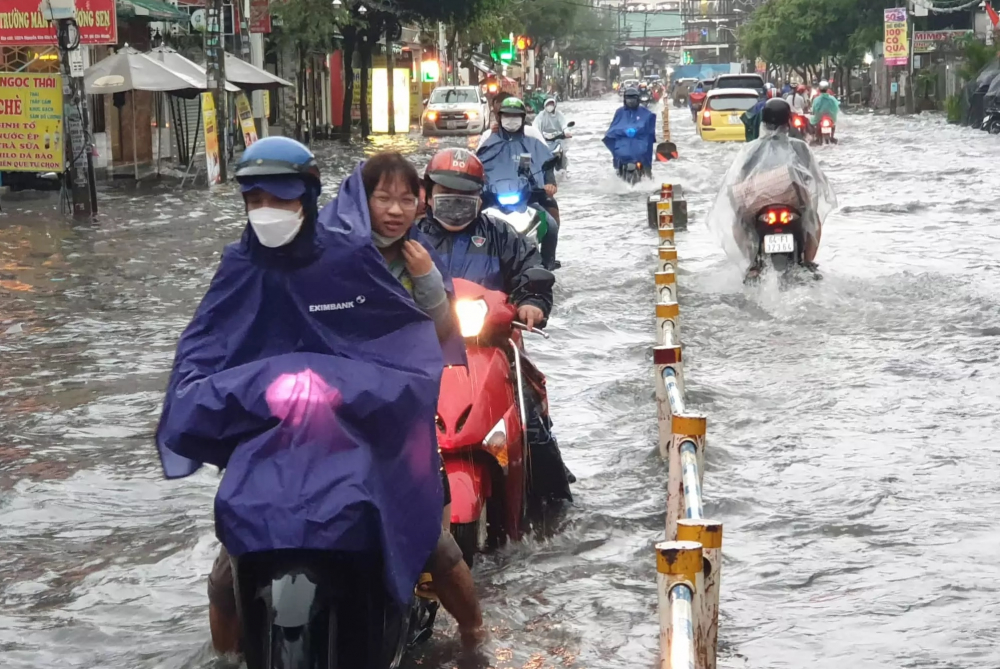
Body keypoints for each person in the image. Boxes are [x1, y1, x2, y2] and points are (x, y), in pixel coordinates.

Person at [155, 137, 487, 657]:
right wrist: (214, 392)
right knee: (226, 573)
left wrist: (357, 387)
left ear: (308, 199)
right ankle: (226, 658)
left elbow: (412, 343)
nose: (270, 212)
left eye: (283, 200)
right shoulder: (239, 268)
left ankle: (474, 636)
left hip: (359, 436)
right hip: (273, 442)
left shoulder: (351, 261)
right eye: (257, 200)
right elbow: (204, 349)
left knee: (430, 543)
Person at [417, 148, 573, 501]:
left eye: (466, 195)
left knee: (530, 418)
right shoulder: (411, 237)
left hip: (490, 346)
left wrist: (532, 303)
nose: (456, 202)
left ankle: (551, 504)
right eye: (447, 194)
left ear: (479, 196)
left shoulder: (501, 235)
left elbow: (529, 271)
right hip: (419, 347)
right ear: (428, 193)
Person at [707, 98, 836, 275]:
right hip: (793, 204)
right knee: (814, 220)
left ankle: (752, 263)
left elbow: (738, 179)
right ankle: (807, 262)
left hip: (759, 207)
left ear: (763, 122)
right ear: (788, 121)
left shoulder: (750, 149)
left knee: (738, 223)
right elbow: (814, 178)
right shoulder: (800, 147)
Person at [477, 96, 562, 270]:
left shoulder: (534, 144)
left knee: (551, 226)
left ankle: (548, 266)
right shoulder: (488, 143)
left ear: (523, 119)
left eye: (515, 116)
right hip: (493, 200)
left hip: (527, 200)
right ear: (500, 117)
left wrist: (549, 184)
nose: (511, 119)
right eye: (507, 115)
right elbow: (476, 168)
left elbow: (546, 168)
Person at [603, 87, 656, 178]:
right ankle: (619, 171)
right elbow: (613, 128)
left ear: (637, 99)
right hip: (623, 145)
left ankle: (647, 175)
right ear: (624, 99)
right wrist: (623, 132)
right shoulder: (620, 112)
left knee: (645, 162)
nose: (631, 101)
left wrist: (638, 131)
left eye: (633, 99)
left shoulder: (645, 112)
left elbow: (649, 128)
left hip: (640, 144)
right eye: (628, 99)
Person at [480, 91, 546, 147]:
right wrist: (492, 138)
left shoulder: (532, 133)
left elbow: (546, 155)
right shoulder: (488, 135)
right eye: (496, 113)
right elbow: (479, 158)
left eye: (507, 114)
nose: (497, 117)